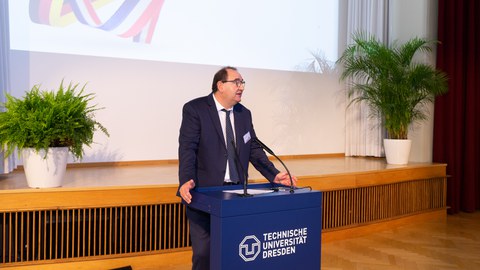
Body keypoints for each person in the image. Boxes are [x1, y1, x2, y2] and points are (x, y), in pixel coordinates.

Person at [177, 66, 297, 270]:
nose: (241, 87)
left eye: (243, 83)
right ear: (220, 85)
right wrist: (186, 179)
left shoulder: (244, 114)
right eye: (237, 82)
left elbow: (254, 150)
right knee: (204, 253)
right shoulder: (195, 109)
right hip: (204, 193)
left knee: (236, 250)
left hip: (237, 194)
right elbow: (187, 147)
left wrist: (274, 175)